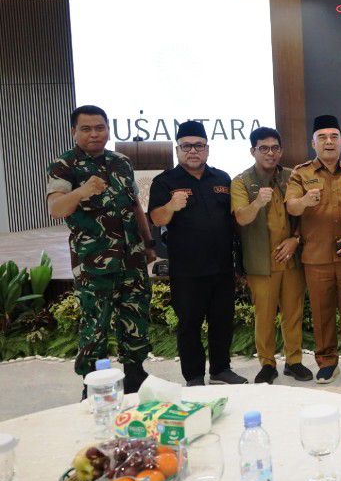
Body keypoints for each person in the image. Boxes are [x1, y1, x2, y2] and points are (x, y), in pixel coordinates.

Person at [46, 105, 154, 396]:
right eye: (86, 129)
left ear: (107, 129)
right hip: (94, 262)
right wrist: (82, 191)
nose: (94, 134)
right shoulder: (64, 165)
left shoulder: (121, 162)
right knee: (95, 325)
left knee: (135, 316)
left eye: (99, 128)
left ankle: (135, 374)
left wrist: (148, 243)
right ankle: (93, 385)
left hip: (131, 258)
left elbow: (135, 205)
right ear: (74, 132)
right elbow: (56, 209)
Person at [149, 120, 247, 385]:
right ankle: (193, 376)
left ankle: (220, 369)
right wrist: (171, 205)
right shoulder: (165, 182)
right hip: (187, 270)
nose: (193, 151)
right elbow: (157, 218)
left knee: (222, 321)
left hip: (222, 266)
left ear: (207, 149)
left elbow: (234, 219)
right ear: (178, 150)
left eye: (199, 145)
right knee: (189, 324)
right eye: (186, 146)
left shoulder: (222, 178)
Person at [286, 114, 341, 384]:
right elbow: (291, 207)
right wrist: (304, 201)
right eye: (322, 137)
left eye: (334, 137)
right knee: (321, 313)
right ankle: (327, 362)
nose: (328, 142)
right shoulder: (301, 174)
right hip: (316, 256)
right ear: (313, 143)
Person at [231, 127, 312, 385]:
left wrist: (295, 239)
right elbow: (241, 218)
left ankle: (294, 361)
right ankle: (267, 364)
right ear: (253, 150)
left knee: (293, 313)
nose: (270, 153)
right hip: (261, 261)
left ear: (281, 150)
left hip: (291, 258)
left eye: (275, 148)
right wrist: (257, 202)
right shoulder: (241, 181)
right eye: (264, 148)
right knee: (264, 316)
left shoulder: (291, 177)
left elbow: (306, 216)